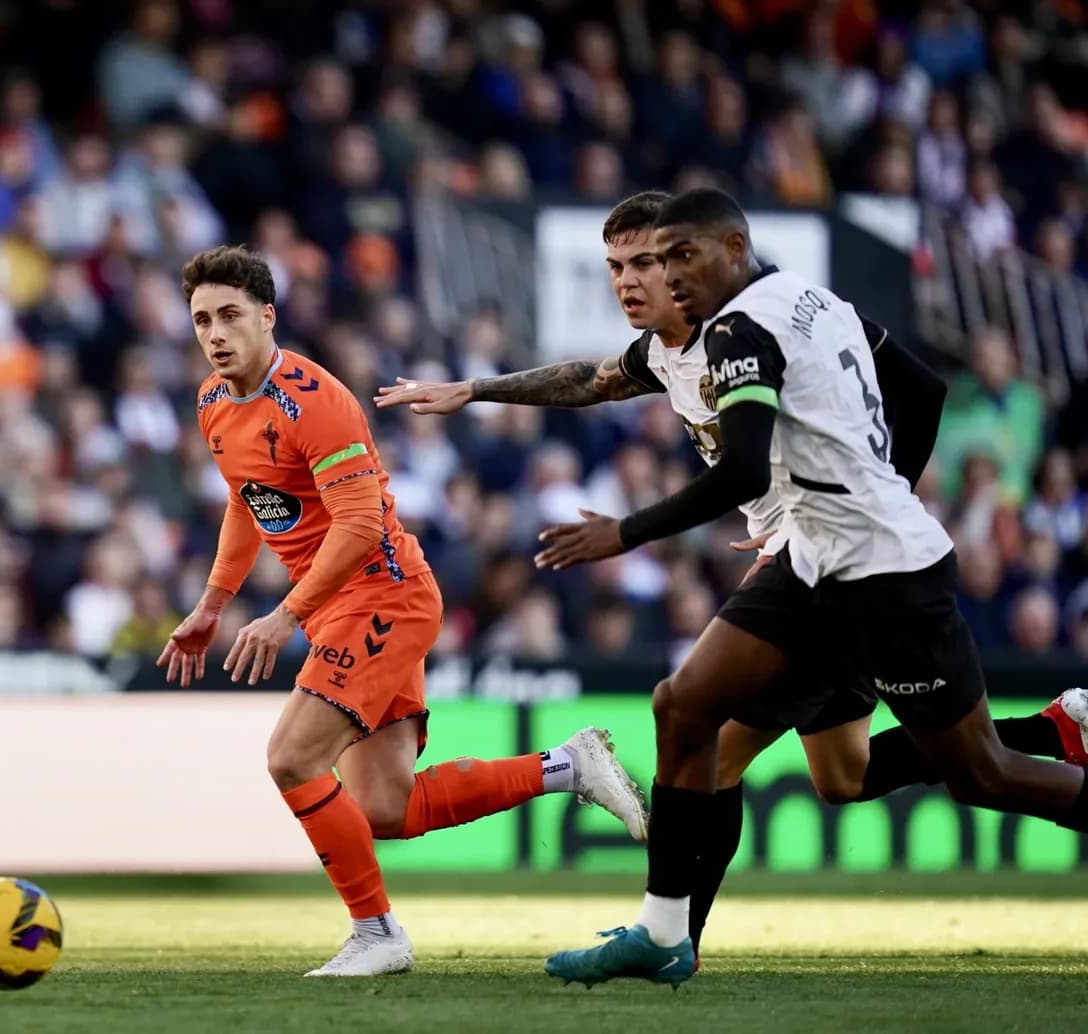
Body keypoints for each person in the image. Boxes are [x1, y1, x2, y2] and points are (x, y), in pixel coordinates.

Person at [376, 191, 1088, 960]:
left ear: (715, 252)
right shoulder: (697, 341)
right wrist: (477, 388)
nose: (637, 281)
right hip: (823, 560)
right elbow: (590, 379)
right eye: (619, 266)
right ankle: (1050, 730)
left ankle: (670, 938)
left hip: (845, 567)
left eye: (655, 261)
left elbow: (890, 406)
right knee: (845, 775)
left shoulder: (742, 333)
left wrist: (862, 494)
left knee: (703, 729)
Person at [158, 245, 647, 978]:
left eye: (230, 316)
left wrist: (283, 615)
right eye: (202, 319)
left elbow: (357, 528)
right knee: (385, 808)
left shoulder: (314, 401)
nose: (215, 333)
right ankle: (566, 765)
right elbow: (245, 502)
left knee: (291, 758)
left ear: (267, 317)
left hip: (383, 595)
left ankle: (377, 933)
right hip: (339, 609)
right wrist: (212, 603)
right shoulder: (212, 404)